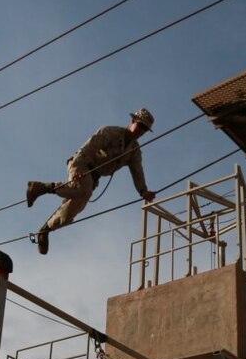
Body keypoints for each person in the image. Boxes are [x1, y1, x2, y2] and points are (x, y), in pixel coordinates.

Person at [26, 108, 157, 254]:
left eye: (145, 129)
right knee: (83, 191)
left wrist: (143, 191)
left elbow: (137, 171)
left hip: (94, 176)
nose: (141, 131)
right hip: (82, 163)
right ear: (133, 121)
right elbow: (87, 149)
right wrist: (76, 170)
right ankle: (41, 187)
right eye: (140, 125)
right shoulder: (109, 132)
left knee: (73, 209)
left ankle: (45, 230)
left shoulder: (134, 151)